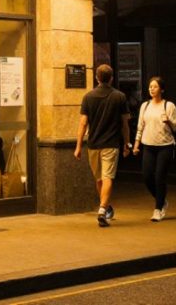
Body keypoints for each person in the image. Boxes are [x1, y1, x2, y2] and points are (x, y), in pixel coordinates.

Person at [75, 64, 131, 227]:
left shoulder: (88, 97)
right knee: (108, 177)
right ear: (111, 78)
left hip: (93, 144)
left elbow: (83, 123)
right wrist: (127, 142)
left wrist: (78, 146)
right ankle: (103, 208)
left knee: (99, 178)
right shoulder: (119, 97)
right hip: (111, 144)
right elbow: (124, 124)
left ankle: (104, 208)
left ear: (97, 78)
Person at [132, 76, 176, 222]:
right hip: (148, 145)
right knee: (147, 176)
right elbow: (140, 127)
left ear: (162, 89)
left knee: (160, 177)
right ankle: (162, 200)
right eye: (150, 87)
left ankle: (158, 209)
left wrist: (170, 121)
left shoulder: (169, 106)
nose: (151, 89)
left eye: (154, 87)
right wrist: (136, 145)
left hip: (165, 146)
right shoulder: (145, 106)